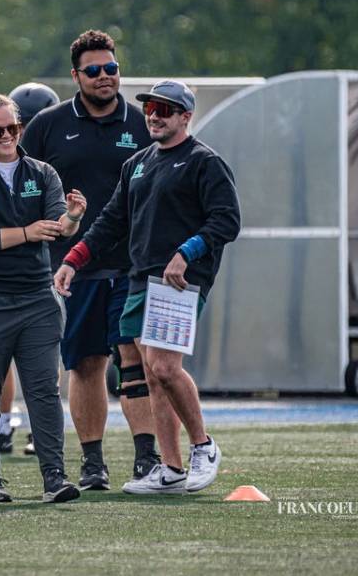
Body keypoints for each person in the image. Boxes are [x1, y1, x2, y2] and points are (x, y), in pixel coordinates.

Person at [55, 80, 241, 494]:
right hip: (140, 278)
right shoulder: (138, 163)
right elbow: (111, 221)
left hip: (178, 280)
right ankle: (171, 470)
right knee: (150, 376)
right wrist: (74, 258)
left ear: (185, 116)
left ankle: (204, 447)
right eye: (150, 108)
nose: (154, 115)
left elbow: (226, 220)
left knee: (163, 368)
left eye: (165, 109)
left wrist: (186, 253)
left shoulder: (203, 162)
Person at [21, 29, 159, 490]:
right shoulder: (48, 125)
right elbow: (23, 186)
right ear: (76, 75)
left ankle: (146, 458)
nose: (105, 77)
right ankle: (94, 462)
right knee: (86, 364)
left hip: (134, 264)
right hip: (72, 265)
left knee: (136, 357)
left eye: (112, 68)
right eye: (95, 71)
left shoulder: (144, 124)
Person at [0, 93, 85, 504]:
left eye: (14, 128)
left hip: (36, 298)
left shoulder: (42, 173)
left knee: (43, 391)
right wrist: (25, 233)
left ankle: (54, 478)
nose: (8, 135)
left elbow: (59, 226)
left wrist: (73, 218)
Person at [5, 81, 61, 456]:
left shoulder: (51, 165)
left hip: (54, 265)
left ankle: (37, 430)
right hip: (8, 268)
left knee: (44, 358)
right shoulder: (0, 162)